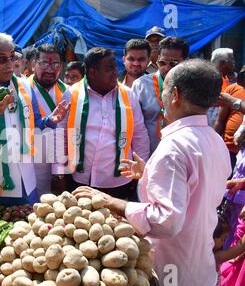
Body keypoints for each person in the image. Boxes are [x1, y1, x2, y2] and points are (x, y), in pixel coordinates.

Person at [73, 59, 231, 286]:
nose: (162, 97)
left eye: (165, 89)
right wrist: (150, 173)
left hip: (172, 270)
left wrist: (112, 202)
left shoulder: (175, 147)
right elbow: (196, 188)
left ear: (175, 94)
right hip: (199, 265)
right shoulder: (213, 139)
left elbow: (166, 222)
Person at [0, 33, 68, 206]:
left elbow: (36, 125)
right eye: (2, 60)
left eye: (12, 57)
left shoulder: (24, 86)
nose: (10, 65)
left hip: (27, 180)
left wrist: (50, 121)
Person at [52, 47, 150, 201]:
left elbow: (140, 136)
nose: (115, 73)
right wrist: (58, 172)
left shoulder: (128, 95)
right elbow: (61, 134)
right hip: (79, 179)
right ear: (92, 72)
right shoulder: (72, 94)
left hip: (119, 181)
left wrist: (140, 173)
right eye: (109, 69)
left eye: (115, 68)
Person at [132, 37, 189, 153]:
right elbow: (134, 126)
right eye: (162, 63)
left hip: (181, 155)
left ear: (186, 61)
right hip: (148, 155)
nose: (167, 68)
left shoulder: (192, 87)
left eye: (173, 64)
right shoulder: (140, 85)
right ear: (157, 59)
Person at [28, 44, 68, 195]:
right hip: (27, 161)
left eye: (55, 64)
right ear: (33, 64)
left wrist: (59, 170)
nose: (50, 69)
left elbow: (66, 132)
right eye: (44, 63)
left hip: (55, 163)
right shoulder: (22, 90)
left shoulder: (67, 92)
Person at [214, 66, 245, 169]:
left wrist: (235, 102)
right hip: (229, 151)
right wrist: (214, 145)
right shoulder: (233, 89)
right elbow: (220, 119)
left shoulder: (232, 100)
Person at [208, 48, 236, 127]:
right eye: (232, 59)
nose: (234, 63)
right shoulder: (208, 78)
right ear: (223, 62)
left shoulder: (227, 78)